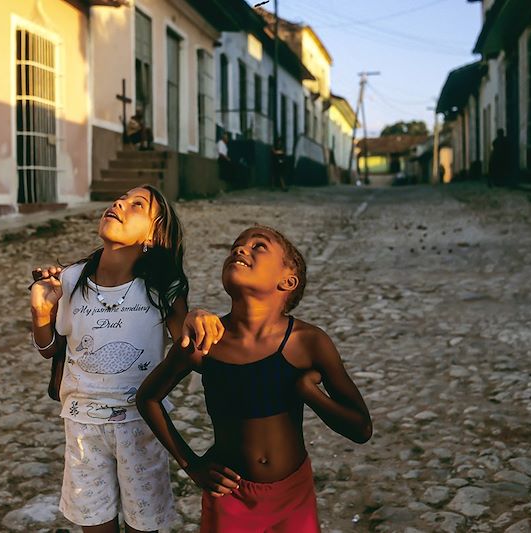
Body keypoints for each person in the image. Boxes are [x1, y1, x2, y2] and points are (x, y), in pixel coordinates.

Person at [137, 225, 372, 533]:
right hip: (230, 497)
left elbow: (361, 427)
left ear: (287, 280)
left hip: (293, 497)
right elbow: (147, 398)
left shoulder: (308, 342)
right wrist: (191, 465)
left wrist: (309, 392)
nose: (240, 249)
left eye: (259, 246)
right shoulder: (206, 343)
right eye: (236, 245)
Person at [29, 185, 224, 533]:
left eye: (137, 205)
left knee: (142, 525)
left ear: (153, 233)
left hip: (140, 426)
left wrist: (197, 315)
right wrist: (41, 313)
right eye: (121, 198)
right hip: (81, 428)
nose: (119, 203)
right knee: (95, 525)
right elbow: (51, 349)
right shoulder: (71, 278)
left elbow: (184, 338)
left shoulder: (163, 286)